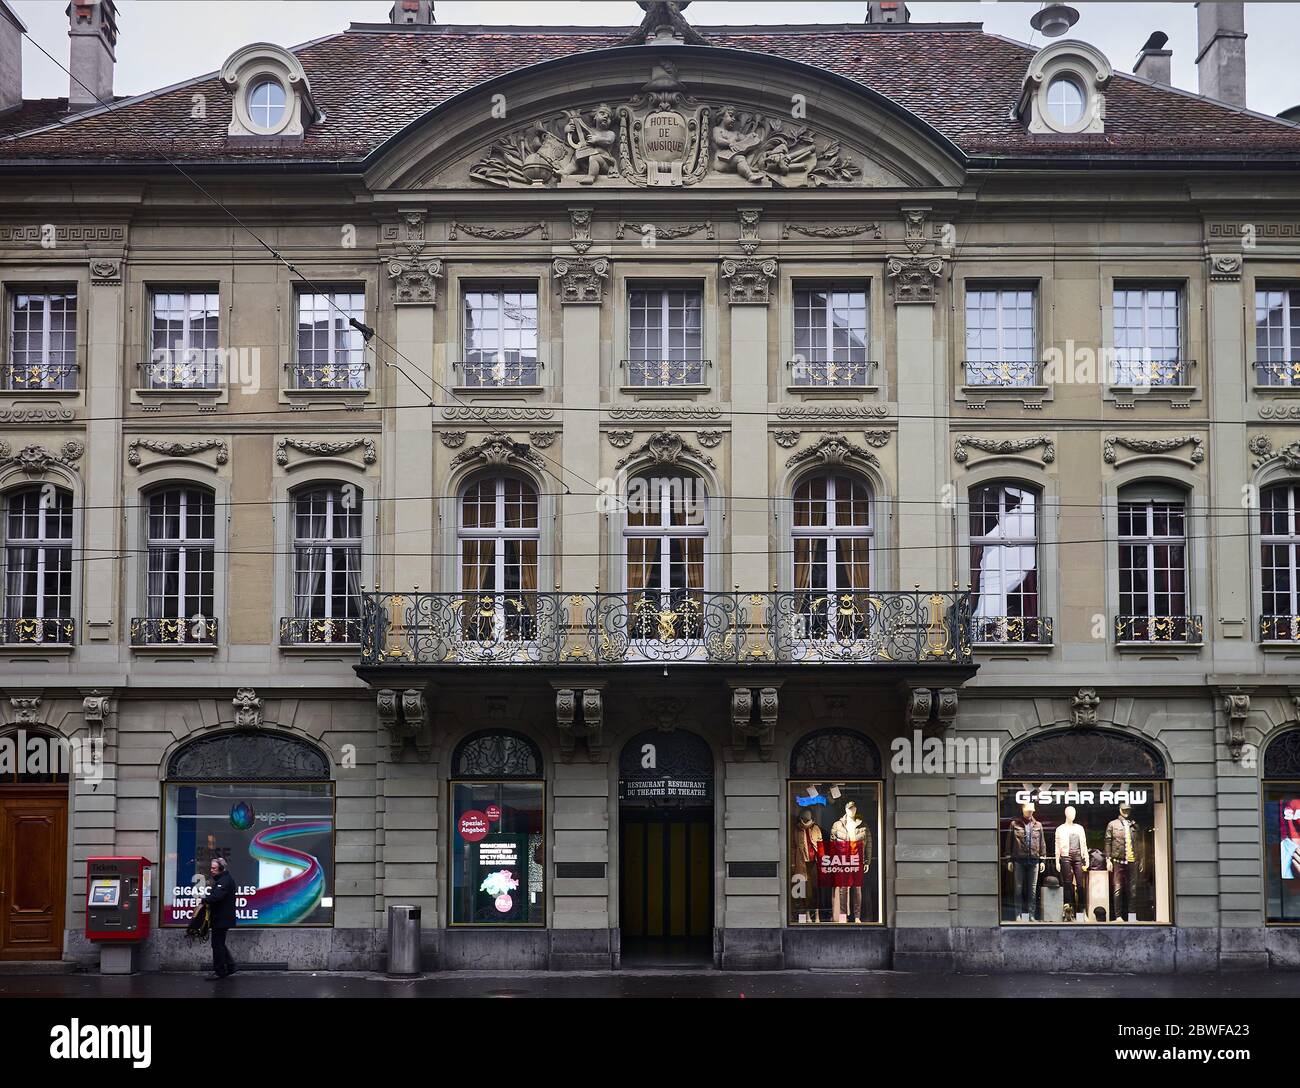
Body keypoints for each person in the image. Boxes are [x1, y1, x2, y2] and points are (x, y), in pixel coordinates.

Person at [203, 857, 238, 980]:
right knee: (220, 944)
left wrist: (203, 900)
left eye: (214, 868)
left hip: (221, 919)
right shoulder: (223, 879)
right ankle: (231, 966)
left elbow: (217, 896)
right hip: (221, 918)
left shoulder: (224, 881)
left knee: (217, 945)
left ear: (221, 869)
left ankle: (219, 971)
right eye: (211, 868)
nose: (211, 870)